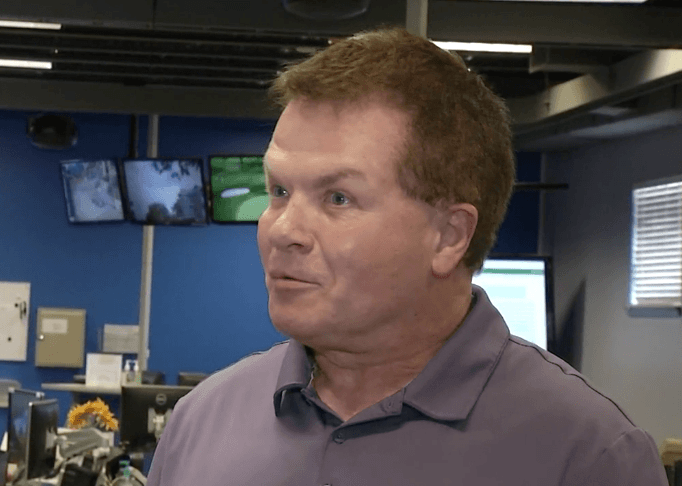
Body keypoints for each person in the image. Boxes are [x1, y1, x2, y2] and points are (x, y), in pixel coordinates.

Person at [146, 27, 666, 485]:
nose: (284, 230)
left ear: (448, 236)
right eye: (278, 190)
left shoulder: (589, 457)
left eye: (338, 198)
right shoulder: (200, 424)